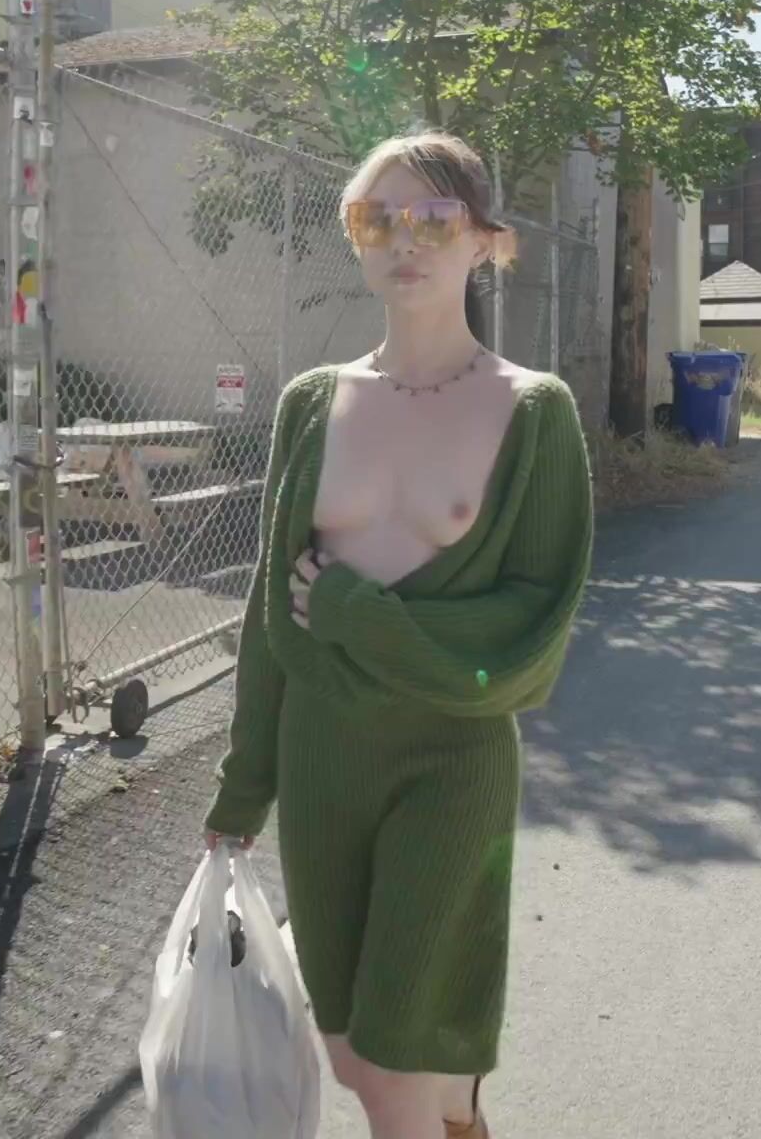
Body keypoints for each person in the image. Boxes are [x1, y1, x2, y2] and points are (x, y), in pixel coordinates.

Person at [202, 131, 594, 1139]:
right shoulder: (311, 404)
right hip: (322, 760)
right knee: (353, 1050)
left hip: (451, 762)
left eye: (435, 218)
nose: (406, 239)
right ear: (355, 237)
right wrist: (245, 785)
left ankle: (440, 1105)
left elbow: (530, 628)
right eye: (379, 218)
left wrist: (357, 614)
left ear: (486, 243)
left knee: (391, 1067)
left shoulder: (534, 413)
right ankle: (461, 1113)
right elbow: (269, 609)